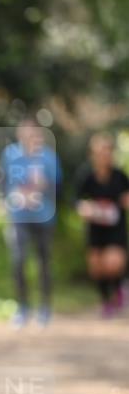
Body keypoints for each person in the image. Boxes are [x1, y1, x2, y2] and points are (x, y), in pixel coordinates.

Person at [1, 117, 62, 328]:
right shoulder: (10, 154)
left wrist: (43, 185)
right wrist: (5, 201)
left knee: (43, 262)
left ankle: (45, 308)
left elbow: (58, 188)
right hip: (18, 217)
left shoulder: (48, 157)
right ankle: (22, 308)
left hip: (44, 217)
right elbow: (3, 182)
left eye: (31, 132)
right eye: (23, 131)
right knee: (18, 260)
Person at [75, 132, 129, 318]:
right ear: (93, 154)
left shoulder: (120, 176)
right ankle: (106, 301)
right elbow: (77, 199)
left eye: (107, 151)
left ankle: (120, 286)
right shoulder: (86, 176)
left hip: (116, 229)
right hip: (95, 229)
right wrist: (83, 207)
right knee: (96, 266)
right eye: (100, 151)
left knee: (113, 263)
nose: (104, 155)